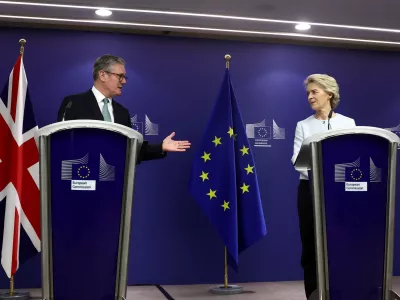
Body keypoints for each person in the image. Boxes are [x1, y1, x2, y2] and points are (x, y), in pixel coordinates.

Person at [291, 74, 356, 299]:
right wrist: (324, 170)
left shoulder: (348, 124)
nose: (310, 96)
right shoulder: (303, 125)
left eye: (314, 92)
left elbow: (352, 156)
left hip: (340, 194)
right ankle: (314, 294)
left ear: (329, 94)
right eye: (308, 93)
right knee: (311, 247)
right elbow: (297, 161)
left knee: (341, 245)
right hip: (309, 192)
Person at [57, 54, 190, 162]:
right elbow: (62, 144)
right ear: (102, 75)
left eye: (124, 77)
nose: (124, 81)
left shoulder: (122, 112)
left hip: (114, 183)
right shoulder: (73, 103)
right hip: (80, 178)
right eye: (120, 76)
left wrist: (161, 147)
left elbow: (130, 151)